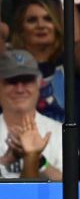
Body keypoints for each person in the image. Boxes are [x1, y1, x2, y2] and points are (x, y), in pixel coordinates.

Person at [10, 0, 80, 122]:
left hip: (67, 140)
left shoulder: (69, 64)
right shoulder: (10, 70)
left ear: (57, 25)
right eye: (32, 20)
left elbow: (76, 40)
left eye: (48, 19)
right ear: (21, 29)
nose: (41, 25)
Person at [0, 50, 63, 180]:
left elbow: (74, 190)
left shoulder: (60, 132)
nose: (20, 89)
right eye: (12, 81)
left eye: (27, 81)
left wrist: (38, 160)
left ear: (39, 83)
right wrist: (5, 160)